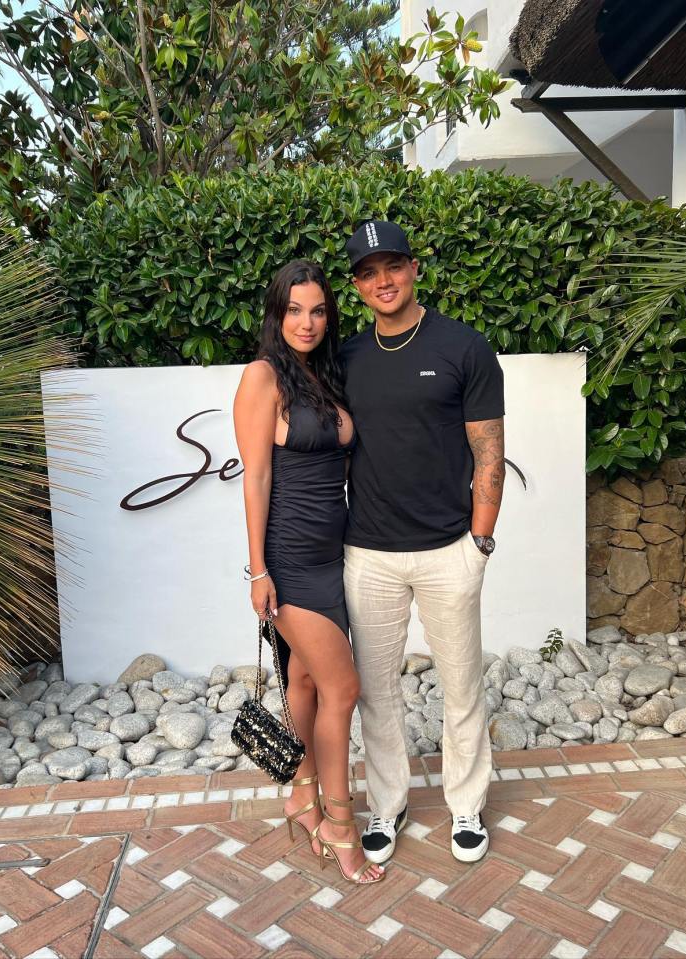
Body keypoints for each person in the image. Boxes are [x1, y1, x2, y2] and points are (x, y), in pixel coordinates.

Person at [341, 221, 506, 864]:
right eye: (367, 272)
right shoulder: (347, 357)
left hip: (448, 551)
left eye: (392, 267)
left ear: (413, 268)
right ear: (357, 285)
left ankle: (466, 806)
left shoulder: (464, 347)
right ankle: (387, 805)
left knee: (461, 684)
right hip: (370, 553)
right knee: (376, 691)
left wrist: (481, 544)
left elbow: (488, 449)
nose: (382, 281)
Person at [233, 260, 384, 885]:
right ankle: (341, 821)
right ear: (276, 314)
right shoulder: (262, 377)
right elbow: (257, 477)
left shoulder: (325, 375)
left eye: (318, 310)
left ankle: (301, 792)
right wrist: (258, 570)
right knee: (343, 690)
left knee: (306, 680)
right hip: (291, 560)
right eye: (294, 310)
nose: (307, 321)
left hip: (336, 553)